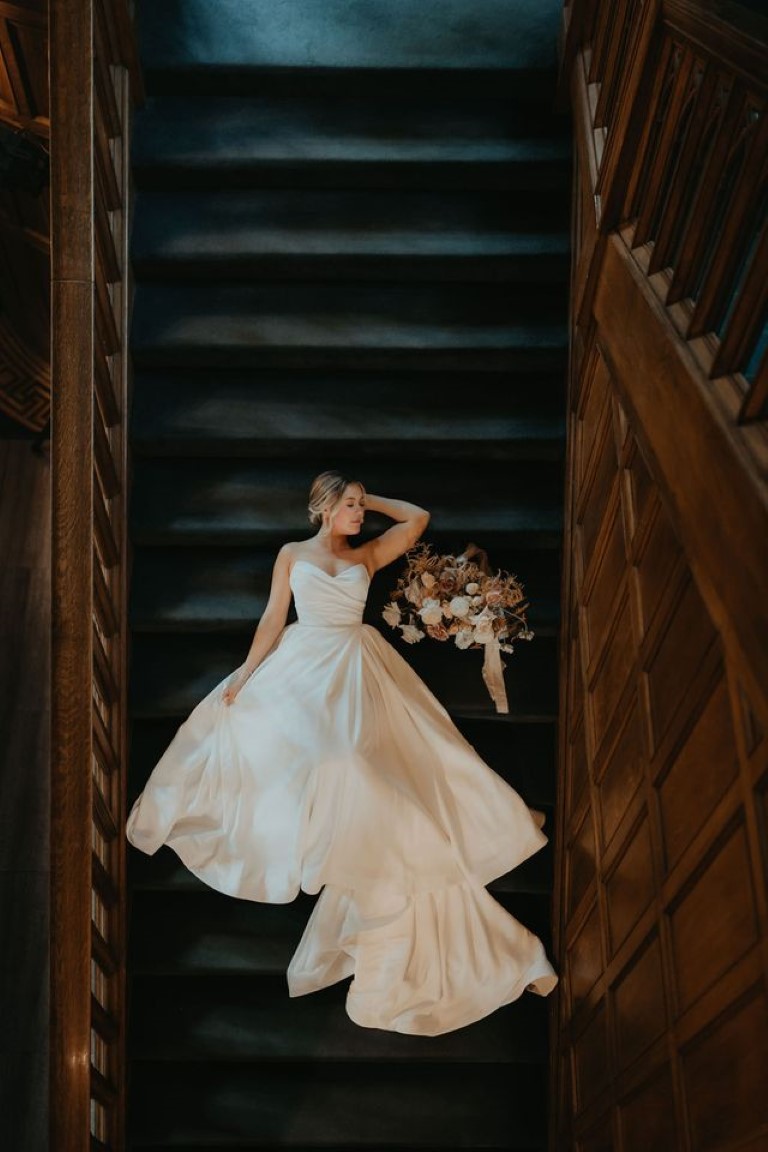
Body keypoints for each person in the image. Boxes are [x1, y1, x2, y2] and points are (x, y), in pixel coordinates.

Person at [126, 469, 558, 1036]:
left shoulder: (369, 555)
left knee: (359, 761)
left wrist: (369, 496)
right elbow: (273, 617)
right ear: (325, 508)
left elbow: (417, 519)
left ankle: (392, 863)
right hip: (303, 663)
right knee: (288, 749)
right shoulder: (290, 553)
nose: (360, 515)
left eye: (359, 506)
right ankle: (323, 830)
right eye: (350, 506)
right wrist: (247, 673)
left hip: (356, 666)